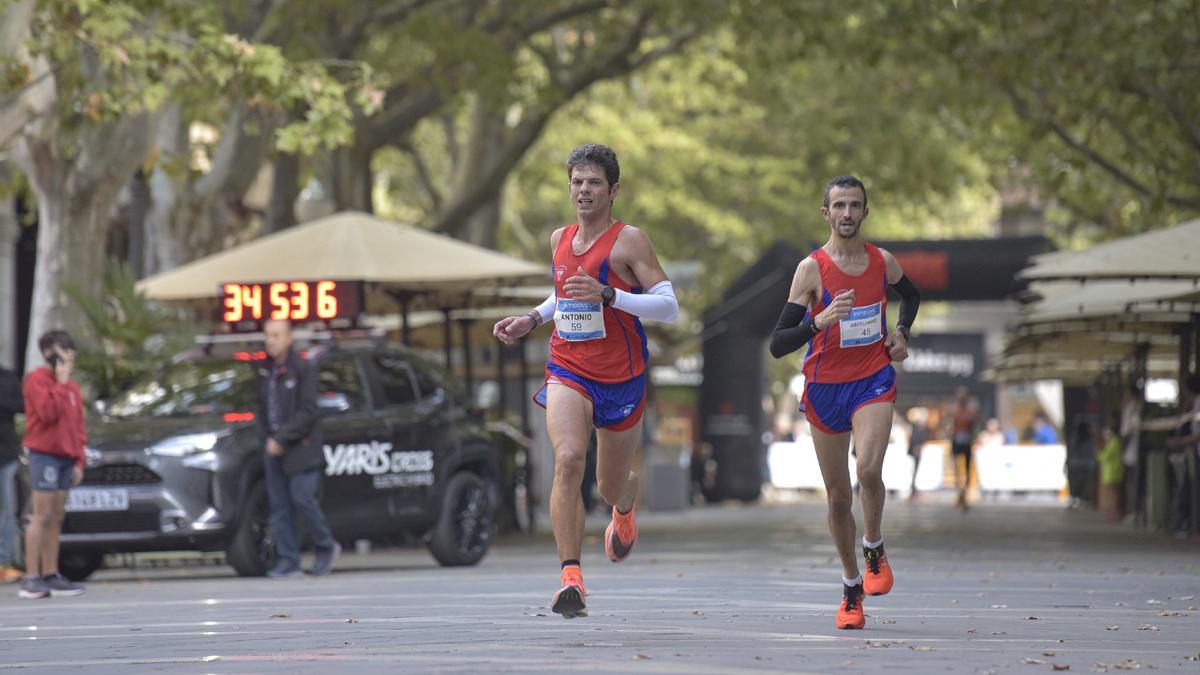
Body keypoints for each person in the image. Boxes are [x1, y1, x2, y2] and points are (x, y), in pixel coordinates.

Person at [492, 143, 679, 619]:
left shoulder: (629, 241)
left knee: (607, 485)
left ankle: (624, 503)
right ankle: (570, 578)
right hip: (568, 366)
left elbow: (669, 306)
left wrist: (611, 294)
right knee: (569, 457)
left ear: (613, 190)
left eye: (594, 182)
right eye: (577, 181)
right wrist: (531, 318)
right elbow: (564, 297)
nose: (584, 190)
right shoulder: (559, 238)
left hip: (621, 376)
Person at [768, 175, 920, 630]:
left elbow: (910, 296)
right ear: (826, 213)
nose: (848, 213)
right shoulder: (810, 269)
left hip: (872, 377)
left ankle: (873, 546)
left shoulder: (882, 262)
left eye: (855, 205)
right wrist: (819, 321)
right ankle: (851, 586)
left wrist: (901, 333)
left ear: (865, 212)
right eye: (839, 205)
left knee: (869, 471)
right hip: (824, 386)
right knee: (837, 500)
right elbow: (779, 343)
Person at [254, 319, 339, 578]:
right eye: (268, 335)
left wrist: (282, 438)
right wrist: (268, 438)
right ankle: (289, 560)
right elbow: (260, 408)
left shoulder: (302, 368)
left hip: (300, 448)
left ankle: (326, 546)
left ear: (289, 338)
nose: (271, 341)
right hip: (272, 448)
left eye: (277, 335)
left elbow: (308, 410)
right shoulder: (263, 370)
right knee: (279, 506)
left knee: (303, 499)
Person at [19, 331, 86, 599]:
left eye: (71, 349)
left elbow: (77, 426)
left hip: (65, 457)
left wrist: (79, 459)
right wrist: (59, 383)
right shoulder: (37, 381)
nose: (69, 354)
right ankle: (31, 577)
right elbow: (47, 414)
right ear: (49, 352)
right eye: (63, 349)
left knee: (56, 517)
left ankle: (51, 572)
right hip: (43, 454)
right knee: (41, 515)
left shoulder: (73, 387)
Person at [0, 364, 24, 583]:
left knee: (8, 510)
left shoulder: (8, 377)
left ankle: (4, 562)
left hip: (6, 453)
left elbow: (22, 405)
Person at [948, 388, 978, 511]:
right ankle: (960, 492)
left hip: (963, 441)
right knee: (958, 468)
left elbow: (973, 426)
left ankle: (964, 493)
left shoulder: (968, 412)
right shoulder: (958, 411)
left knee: (965, 468)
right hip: (959, 440)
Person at [1096, 412, 1125, 522]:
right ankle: (1113, 513)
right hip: (1112, 471)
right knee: (1114, 494)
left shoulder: (1114, 442)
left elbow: (1106, 456)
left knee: (1114, 494)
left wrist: (1099, 452)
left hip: (1113, 471)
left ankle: (1114, 513)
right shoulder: (1115, 441)